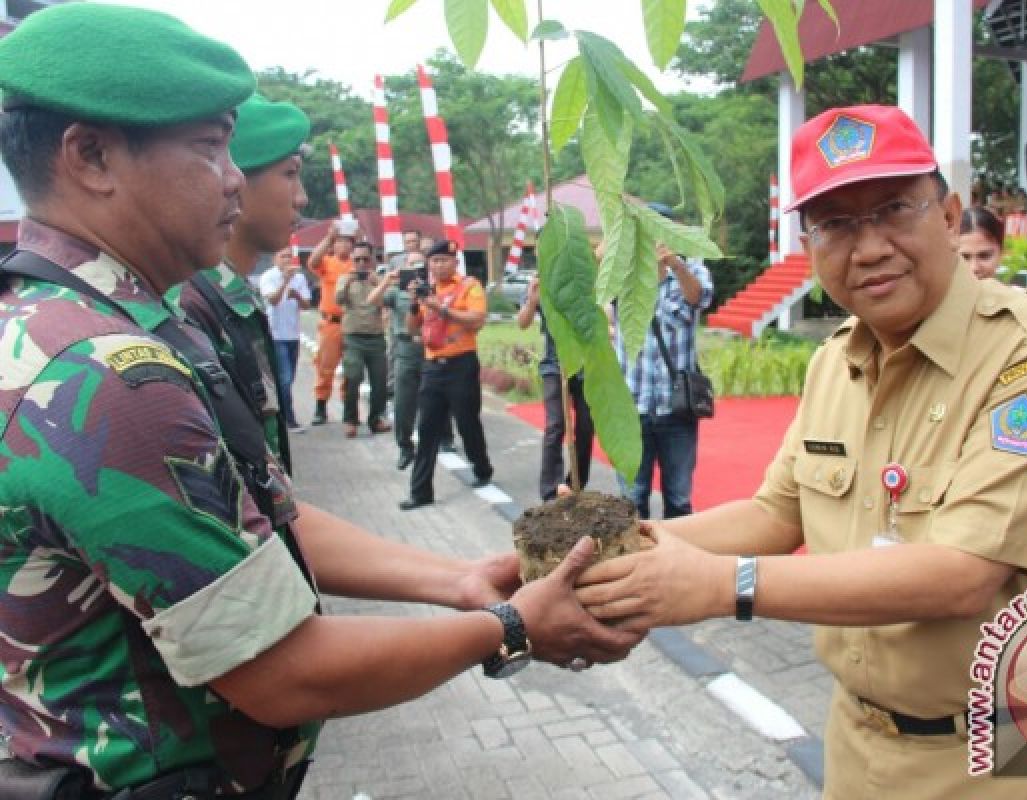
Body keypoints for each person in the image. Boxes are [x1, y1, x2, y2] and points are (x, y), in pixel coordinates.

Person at [0, 5, 637, 796]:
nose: (233, 176)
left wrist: (458, 577)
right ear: (91, 156)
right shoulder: (103, 375)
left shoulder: (93, 318)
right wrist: (511, 628)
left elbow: (270, 514)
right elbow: (285, 672)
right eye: (207, 147)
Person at [578, 105, 1027, 799]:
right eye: (837, 225)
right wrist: (622, 547)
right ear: (809, 243)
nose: (871, 246)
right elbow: (775, 514)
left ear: (948, 216)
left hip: (994, 754)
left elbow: (961, 572)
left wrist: (720, 586)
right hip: (857, 741)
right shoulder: (835, 361)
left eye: (893, 210)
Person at [176, 93, 309, 471]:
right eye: (289, 174)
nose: (302, 197)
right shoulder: (192, 308)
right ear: (237, 179)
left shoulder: (230, 295)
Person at [615, 203, 713, 519]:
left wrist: (675, 264)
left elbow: (699, 297)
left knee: (679, 499)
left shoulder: (692, 269)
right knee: (632, 499)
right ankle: (636, 564)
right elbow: (598, 261)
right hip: (631, 407)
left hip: (677, 408)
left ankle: (677, 565)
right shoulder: (624, 275)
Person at [401, 239, 493, 510]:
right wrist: (413, 303)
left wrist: (440, 307)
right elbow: (411, 330)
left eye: (444, 260)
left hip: (461, 364)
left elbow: (477, 319)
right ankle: (420, 492)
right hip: (432, 366)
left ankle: (482, 467)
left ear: (454, 262)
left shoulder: (469, 286)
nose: (439, 265)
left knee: (467, 422)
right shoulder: (425, 291)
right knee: (426, 429)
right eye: (434, 261)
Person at [517, 272, 595, 501]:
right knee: (555, 424)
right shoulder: (541, 280)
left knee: (585, 427)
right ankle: (551, 490)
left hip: (584, 365)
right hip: (554, 365)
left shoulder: (583, 275)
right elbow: (522, 322)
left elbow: (604, 316)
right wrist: (533, 301)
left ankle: (576, 483)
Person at [335, 240, 391, 438]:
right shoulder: (344, 279)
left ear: (372, 260)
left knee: (379, 382)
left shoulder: (380, 279)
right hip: (353, 337)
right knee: (353, 376)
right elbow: (338, 300)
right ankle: (350, 419)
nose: (360, 263)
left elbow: (389, 302)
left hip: (375, 337)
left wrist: (378, 282)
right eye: (357, 259)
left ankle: (375, 419)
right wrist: (350, 281)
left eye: (365, 259)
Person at [307, 222, 356, 425]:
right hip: (331, 323)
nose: (343, 246)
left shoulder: (356, 264)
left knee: (352, 367)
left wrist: (361, 240)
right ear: (333, 246)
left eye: (347, 242)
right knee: (325, 366)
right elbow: (312, 262)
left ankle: (348, 408)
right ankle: (321, 406)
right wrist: (328, 237)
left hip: (353, 323)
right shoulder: (327, 263)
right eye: (339, 242)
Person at [382, 244, 425, 470]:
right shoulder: (396, 292)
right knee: (404, 401)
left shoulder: (434, 289)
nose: (416, 269)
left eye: (420, 264)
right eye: (412, 265)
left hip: (430, 349)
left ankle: (440, 441)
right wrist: (387, 280)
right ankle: (405, 446)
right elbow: (372, 301)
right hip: (405, 348)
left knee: (434, 401)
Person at [261, 246, 312, 433]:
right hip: (276, 335)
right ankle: (288, 419)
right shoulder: (268, 277)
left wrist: (297, 295)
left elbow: (307, 305)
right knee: (284, 379)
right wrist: (284, 282)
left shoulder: (299, 278)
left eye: (290, 256)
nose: (287, 260)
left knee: (289, 380)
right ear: (275, 258)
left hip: (293, 334)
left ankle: (282, 415)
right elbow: (272, 300)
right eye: (283, 256)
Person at [959, 205, 1005, 280]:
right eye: (964, 258)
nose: (974, 268)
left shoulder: (1013, 292)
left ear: (1001, 254)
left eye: (984, 256)